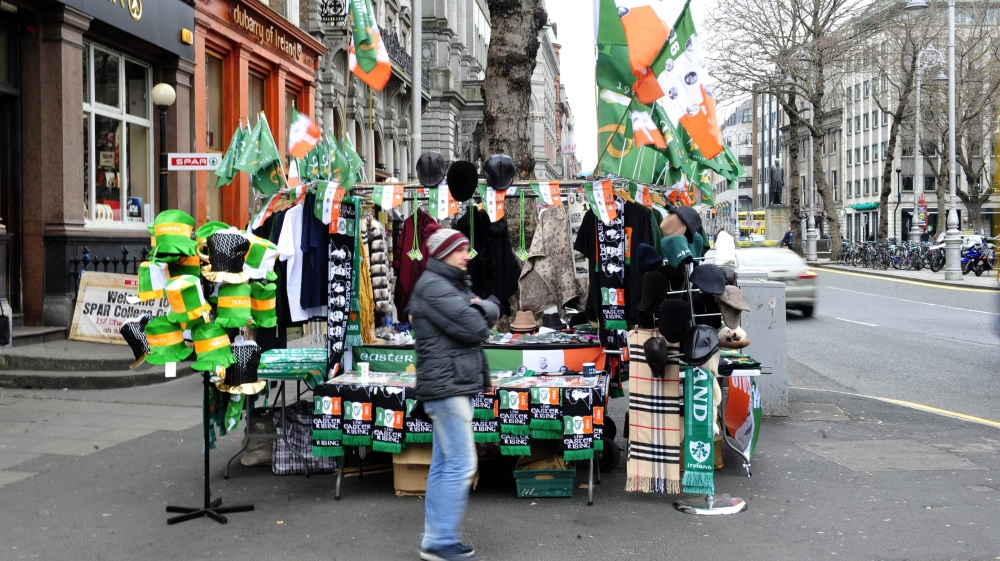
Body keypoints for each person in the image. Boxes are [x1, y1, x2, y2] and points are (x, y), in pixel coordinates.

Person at [410, 228, 499, 561]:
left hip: (449, 384)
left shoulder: (450, 284)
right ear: (443, 252)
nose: (466, 255)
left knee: (445, 463)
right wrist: (483, 307)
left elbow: (483, 315)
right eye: (460, 249)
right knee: (462, 463)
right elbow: (476, 328)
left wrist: (481, 306)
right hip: (447, 388)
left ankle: (436, 537)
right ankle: (439, 540)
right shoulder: (435, 286)